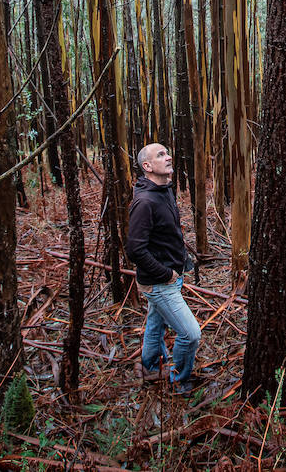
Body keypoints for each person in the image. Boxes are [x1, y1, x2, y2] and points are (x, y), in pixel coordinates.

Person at [127, 142, 202, 393]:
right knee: (190, 334)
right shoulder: (145, 202)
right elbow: (135, 250)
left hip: (170, 276)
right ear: (147, 166)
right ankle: (178, 379)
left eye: (168, 152)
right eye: (161, 155)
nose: (169, 157)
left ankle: (149, 365)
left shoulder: (164, 191)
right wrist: (166, 274)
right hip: (160, 283)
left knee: (155, 325)